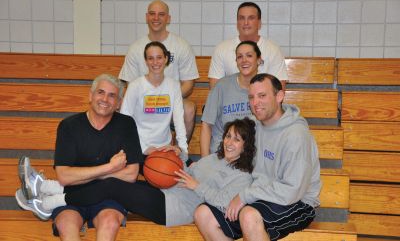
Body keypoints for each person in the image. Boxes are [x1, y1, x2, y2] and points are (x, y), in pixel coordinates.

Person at [16, 118, 256, 228]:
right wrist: (177, 154)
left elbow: (226, 203)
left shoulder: (243, 176)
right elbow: (189, 170)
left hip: (174, 208)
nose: (229, 142)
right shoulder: (215, 158)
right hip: (166, 189)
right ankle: (47, 187)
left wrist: (197, 187)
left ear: (246, 145)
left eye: (236, 139)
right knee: (138, 162)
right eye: (227, 136)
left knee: (112, 185)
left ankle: (51, 199)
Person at [15, 74, 142, 241]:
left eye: (112, 95)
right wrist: (109, 168)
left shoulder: (126, 125)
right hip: (73, 197)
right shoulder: (69, 126)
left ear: (118, 103)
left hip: (109, 198)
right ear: (90, 96)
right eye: (100, 92)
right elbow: (64, 176)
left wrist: (83, 176)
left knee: (110, 223)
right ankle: (45, 196)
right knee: (66, 225)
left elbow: (131, 174)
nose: (105, 99)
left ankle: (44, 192)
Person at [194, 74, 321, 241]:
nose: (255, 103)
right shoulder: (254, 125)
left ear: (279, 96)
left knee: (248, 215)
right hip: (260, 195)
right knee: (203, 214)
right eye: (251, 97)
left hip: (297, 202)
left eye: (262, 96)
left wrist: (244, 196)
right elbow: (230, 145)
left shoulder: (295, 135)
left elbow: (292, 190)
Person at [119, 0, 199, 142]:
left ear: (168, 18)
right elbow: (130, 86)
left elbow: (188, 84)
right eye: (152, 14)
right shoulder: (135, 48)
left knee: (189, 109)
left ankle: (178, 153)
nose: (156, 18)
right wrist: (151, 100)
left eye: (161, 14)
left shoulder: (181, 45)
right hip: (143, 101)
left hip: (172, 100)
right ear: (146, 17)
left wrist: (165, 99)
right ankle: (137, 151)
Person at [120, 41, 188, 163]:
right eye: (150, 58)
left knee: (180, 176)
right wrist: (144, 148)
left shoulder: (174, 86)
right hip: (139, 148)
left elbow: (179, 120)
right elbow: (124, 121)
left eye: (159, 58)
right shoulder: (135, 86)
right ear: (146, 61)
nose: (155, 62)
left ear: (166, 59)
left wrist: (182, 149)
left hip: (165, 149)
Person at [208, 2, 288, 90]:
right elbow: (215, 90)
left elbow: (278, 90)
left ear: (259, 23)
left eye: (251, 18)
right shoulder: (221, 49)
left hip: (262, 102)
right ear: (237, 23)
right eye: (241, 18)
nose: (246, 23)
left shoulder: (273, 50)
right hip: (231, 102)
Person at [200, 40, 259, 157]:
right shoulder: (221, 86)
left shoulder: (265, 87)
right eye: (239, 57)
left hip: (251, 158)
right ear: (236, 61)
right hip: (221, 157)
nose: (244, 60)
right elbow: (206, 125)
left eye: (249, 55)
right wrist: (205, 162)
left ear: (258, 60)